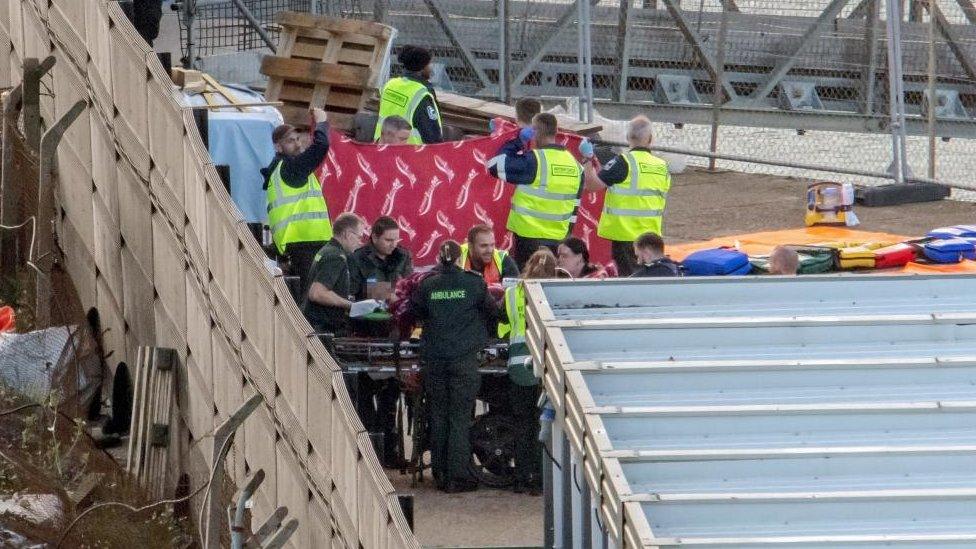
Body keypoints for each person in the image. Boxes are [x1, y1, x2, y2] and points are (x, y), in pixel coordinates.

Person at [409, 240, 498, 493]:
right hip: (463, 360)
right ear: (461, 259)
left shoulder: (427, 285)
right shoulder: (474, 282)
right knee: (459, 417)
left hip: (435, 360)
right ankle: (458, 477)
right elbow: (492, 311)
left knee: (438, 416)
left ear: (439, 257)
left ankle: (440, 473)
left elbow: (415, 311)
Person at [486, 113, 584, 269]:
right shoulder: (576, 166)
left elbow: (494, 166)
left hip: (529, 239)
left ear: (535, 131)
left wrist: (519, 141)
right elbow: (575, 207)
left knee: (526, 284)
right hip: (558, 241)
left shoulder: (535, 160)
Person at [583, 115, 671, 277]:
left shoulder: (623, 162)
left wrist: (587, 160)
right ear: (650, 139)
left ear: (627, 137)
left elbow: (592, 185)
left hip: (625, 235)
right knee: (651, 278)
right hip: (652, 236)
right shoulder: (662, 166)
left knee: (629, 279)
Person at [498, 248, 554, 495]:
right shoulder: (554, 293)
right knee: (544, 425)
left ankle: (521, 478)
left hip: (517, 366)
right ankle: (540, 479)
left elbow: (502, 326)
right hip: (545, 367)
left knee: (522, 425)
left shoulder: (511, 293)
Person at [263, 108, 333, 290]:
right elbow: (321, 147)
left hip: (296, 246)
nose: (297, 144)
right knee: (311, 297)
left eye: (298, 139)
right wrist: (322, 122)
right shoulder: (291, 168)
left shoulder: (279, 170)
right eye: (290, 141)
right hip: (306, 243)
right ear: (278, 147)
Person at [301, 213, 366, 335]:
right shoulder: (335, 256)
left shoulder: (327, 250)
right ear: (347, 234)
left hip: (314, 325)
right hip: (322, 329)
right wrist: (351, 306)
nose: (360, 242)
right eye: (359, 237)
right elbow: (317, 293)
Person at [374, 45, 442, 144]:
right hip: (408, 152)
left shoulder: (390, 85)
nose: (431, 69)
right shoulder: (421, 94)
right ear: (422, 68)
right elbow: (432, 134)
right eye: (429, 64)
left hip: (381, 147)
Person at [351, 216, 413, 302]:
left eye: (396, 240)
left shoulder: (403, 255)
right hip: (369, 312)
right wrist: (388, 294)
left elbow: (410, 286)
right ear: (375, 238)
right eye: (388, 240)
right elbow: (354, 291)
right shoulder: (357, 258)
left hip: (397, 310)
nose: (394, 245)